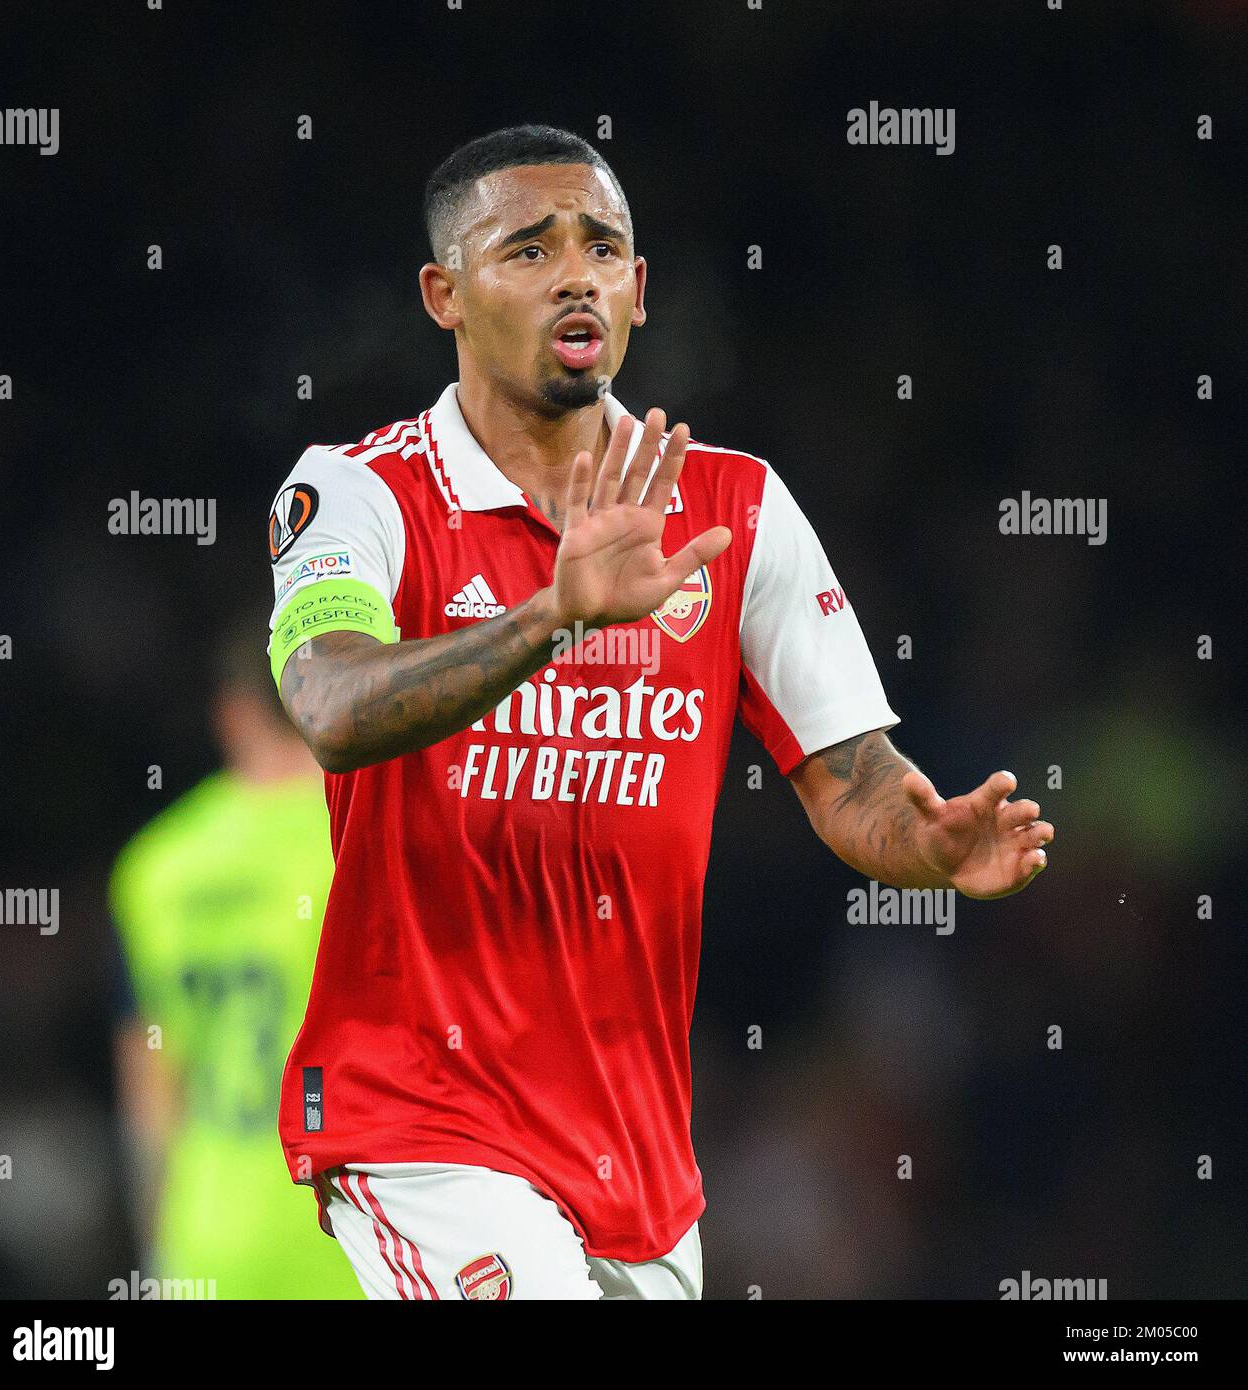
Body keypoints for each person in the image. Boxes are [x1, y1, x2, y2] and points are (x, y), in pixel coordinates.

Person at [264, 124, 1054, 1301]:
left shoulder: (735, 505)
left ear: (638, 292)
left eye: (602, 247)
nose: (575, 271)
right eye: (527, 249)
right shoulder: (357, 490)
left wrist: (923, 844)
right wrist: (547, 616)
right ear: (445, 294)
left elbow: (853, 780)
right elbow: (328, 704)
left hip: (634, 1155)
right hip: (420, 1115)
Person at [111, 625, 359, 1298]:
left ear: (234, 711)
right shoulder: (369, 838)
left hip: (208, 1245)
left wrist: (161, 1256)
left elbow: (150, 1090)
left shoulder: (155, 866)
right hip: (357, 1238)